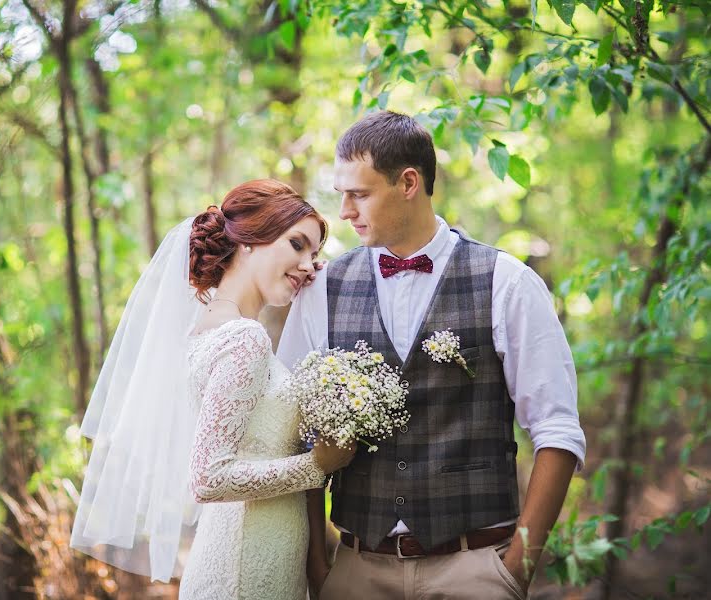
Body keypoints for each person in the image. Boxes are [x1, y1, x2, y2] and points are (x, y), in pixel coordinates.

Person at [277, 111, 586, 600]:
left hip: (475, 567)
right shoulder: (323, 290)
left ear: (408, 182)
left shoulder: (506, 282)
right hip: (356, 568)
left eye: (359, 193)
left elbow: (558, 431)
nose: (345, 211)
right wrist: (319, 565)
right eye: (341, 194)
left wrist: (514, 570)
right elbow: (295, 434)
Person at [70, 179, 355, 599]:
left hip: (262, 559)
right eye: (297, 245)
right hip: (242, 571)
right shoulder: (244, 339)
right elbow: (208, 477)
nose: (311, 265)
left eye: (315, 254)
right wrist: (317, 464)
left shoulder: (215, 328)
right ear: (250, 242)